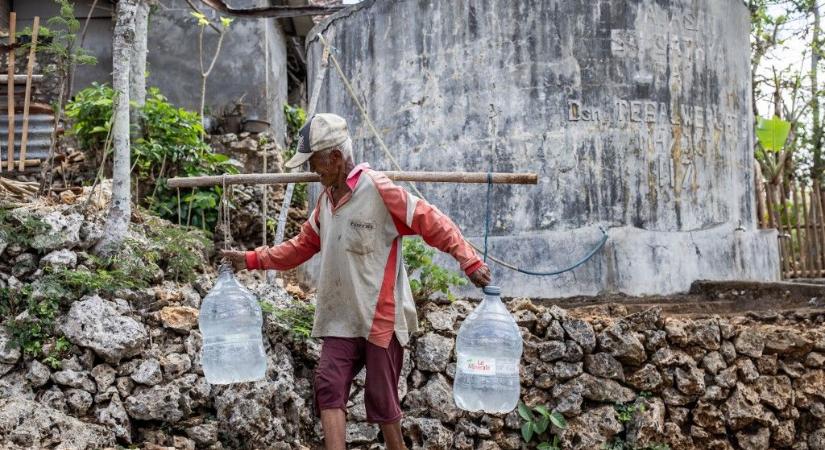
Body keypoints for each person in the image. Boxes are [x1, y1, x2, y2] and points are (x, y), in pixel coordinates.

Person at [221, 113, 491, 450]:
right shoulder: (326, 203)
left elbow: (431, 220)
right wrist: (250, 259)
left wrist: (469, 259)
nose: (313, 171)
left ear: (334, 157)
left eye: (315, 162)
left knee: (382, 402)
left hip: (380, 318)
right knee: (328, 387)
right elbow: (299, 247)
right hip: (341, 319)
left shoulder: (378, 190)